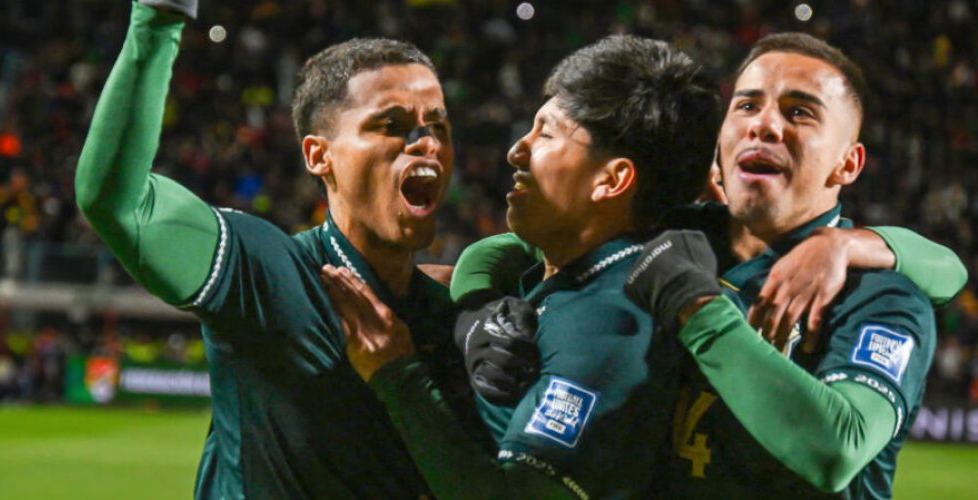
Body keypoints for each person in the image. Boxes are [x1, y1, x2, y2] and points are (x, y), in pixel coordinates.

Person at [458, 33, 963, 498]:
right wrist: (475, 311)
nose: (764, 124)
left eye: (800, 113)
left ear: (847, 164)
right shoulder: (672, 232)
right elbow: (504, 249)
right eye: (747, 105)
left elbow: (836, 449)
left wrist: (702, 307)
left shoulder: (878, 296)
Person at [74, 1, 485, 497]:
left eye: (438, 125)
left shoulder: (457, 318)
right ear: (319, 155)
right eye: (392, 125)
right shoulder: (269, 273)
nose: (426, 143)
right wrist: (159, 19)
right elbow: (122, 205)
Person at [321, 35, 721, 499]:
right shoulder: (592, 263)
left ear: (612, 180)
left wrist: (396, 374)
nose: (517, 150)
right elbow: (498, 252)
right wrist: (476, 303)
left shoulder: (606, 323)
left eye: (546, 134)